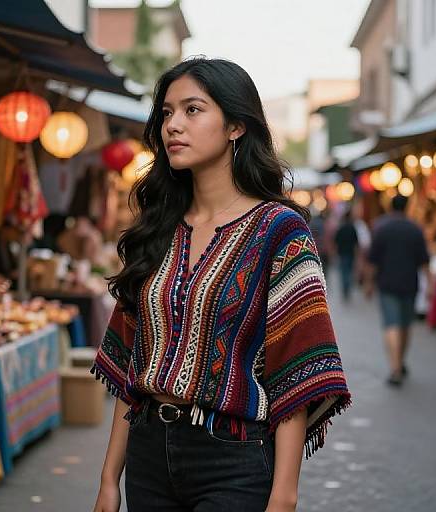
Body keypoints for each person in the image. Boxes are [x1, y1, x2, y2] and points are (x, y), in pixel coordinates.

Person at [91, 58, 351, 512]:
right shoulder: (158, 228)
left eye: (193, 110)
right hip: (149, 453)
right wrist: (109, 481)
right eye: (167, 113)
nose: (173, 125)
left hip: (233, 458)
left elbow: (293, 366)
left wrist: (284, 497)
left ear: (235, 125)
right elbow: (133, 363)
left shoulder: (278, 229)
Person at [365, 194, 432, 386]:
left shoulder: (382, 229)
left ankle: (395, 368)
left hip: (387, 284)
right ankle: (400, 362)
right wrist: (430, 286)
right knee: (405, 325)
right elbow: (425, 262)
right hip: (410, 284)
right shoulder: (415, 229)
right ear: (407, 207)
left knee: (391, 325)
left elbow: (372, 260)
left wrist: (369, 283)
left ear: (390, 207)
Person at [333, 209, 358, 301]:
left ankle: (345, 288)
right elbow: (356, 243)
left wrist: (334, 253)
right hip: (350, 253)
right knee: (349, 272)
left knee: (344, 272)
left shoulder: (341, 228)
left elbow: (336, 241)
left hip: (342, 253)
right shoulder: (352, 228)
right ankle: (347, 288)